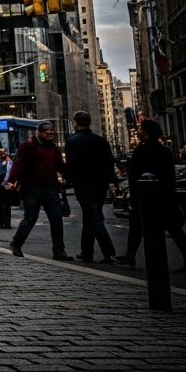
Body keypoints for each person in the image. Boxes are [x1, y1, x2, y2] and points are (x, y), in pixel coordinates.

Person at [119, 118, 186, 271]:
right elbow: (170, 177)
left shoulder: (141, 151)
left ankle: (130, 256)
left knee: (136, 228)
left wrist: (134, 199)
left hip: (145, 199)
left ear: (146, 133)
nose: (139, 132)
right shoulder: (165, 151)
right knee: (175, 229)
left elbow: (134, 177)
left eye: (141, 129)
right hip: (165, 197)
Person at [5, 120, 74, 260]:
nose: (50, 133)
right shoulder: (27, 146)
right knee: (30, 219)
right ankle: (16, 244)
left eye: (51, 130)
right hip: (31, 189)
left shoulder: (54, 148)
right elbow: (18, 165)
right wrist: (11, 181)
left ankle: (59, 251)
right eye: (46, 131)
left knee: (56, 219)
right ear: (39, 133)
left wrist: (72, 176)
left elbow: (61, 167)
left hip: (51, 189)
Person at [63, 110, 120, 264]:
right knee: (90, 217)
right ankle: (86, 252)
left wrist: (67, 180)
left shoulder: (73, 141)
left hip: (83, 185)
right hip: (100, 185)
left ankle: (109, 253)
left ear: (75, 123)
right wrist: (112, 182)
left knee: (94, 218)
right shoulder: (101, 141)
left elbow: (72, 165)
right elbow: (109, 163)